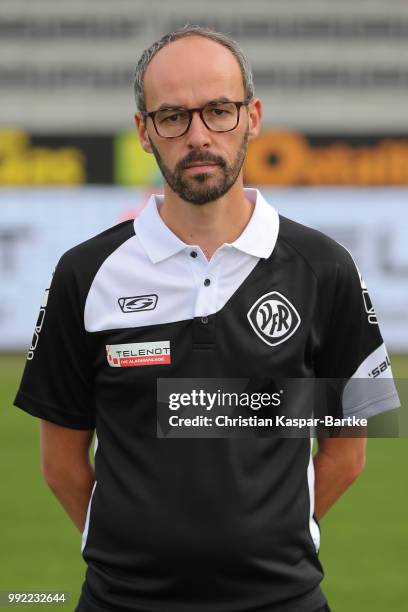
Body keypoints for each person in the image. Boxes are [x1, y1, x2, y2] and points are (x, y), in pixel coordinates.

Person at [14, 25, 400, 612]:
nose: (198, 135)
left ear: (253, 116)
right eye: (173, 117)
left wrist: (276, 535)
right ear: (144, 131)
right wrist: (127, 553)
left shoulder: (327, 268)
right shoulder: (84, 272)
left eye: (218, 110)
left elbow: (350, 447)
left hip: (284, 599)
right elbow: (60, 462)